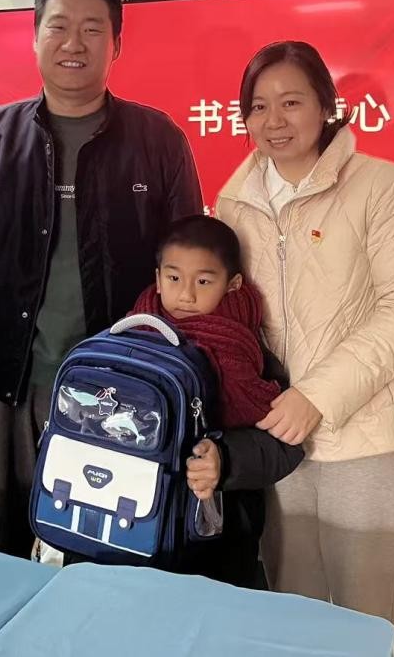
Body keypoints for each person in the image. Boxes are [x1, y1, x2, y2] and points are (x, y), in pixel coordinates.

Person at [0, 0, 203, 557]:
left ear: (116, 44)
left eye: (92, 29)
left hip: (119, 389)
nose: (73, 43)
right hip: (6, 382)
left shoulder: (159, 141)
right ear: (35, 38)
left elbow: (190, 270)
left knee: (107, 552)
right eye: (58, 27)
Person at [215, 41, 394, 651]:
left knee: (367, 611)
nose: (274, 120)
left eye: (291, 102)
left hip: (362, 431)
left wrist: (316, 396)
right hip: (273, 434)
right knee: (292, 600)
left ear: (325, 106)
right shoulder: (234, 202)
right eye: (258, 106)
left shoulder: (381, 186)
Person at [129, 214, 306, 587]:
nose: (186, 295)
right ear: (157, 278)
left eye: (204, 281)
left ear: (233, 284)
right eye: (174, 278)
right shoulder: (131, 334)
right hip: (138, 518)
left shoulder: (242, 349)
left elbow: (285, 445)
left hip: (220, 529)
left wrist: (225, 459)